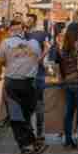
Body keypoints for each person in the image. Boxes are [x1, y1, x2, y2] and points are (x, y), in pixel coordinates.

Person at [0, 18, 47, 154]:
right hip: (30, 84)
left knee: (16, 116)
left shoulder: (5, 43)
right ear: (23, 30)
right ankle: (32, 141)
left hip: (12, 83)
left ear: (10, 31)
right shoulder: (35, 43)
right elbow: (38, 60)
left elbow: (0, 63)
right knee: (26, 115)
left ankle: (27, 145)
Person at [25, 14, 50, 142]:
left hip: (38, 73)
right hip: (25, 74)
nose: (26, 21)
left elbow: (47, 46)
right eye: (26, 19)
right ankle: (30, 132)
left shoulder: (41, 34)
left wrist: (40, 58)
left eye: (29, 20)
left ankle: (39, 132)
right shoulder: (22, 34)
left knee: (39, 104)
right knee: (28, 104)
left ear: (34, 21)